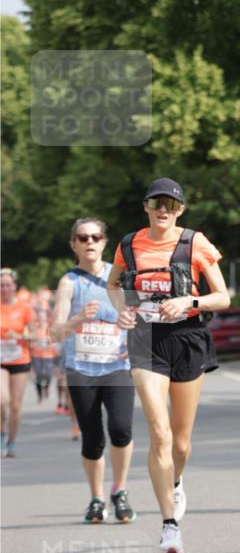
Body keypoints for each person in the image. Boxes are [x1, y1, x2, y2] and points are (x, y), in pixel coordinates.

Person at [106, 178, 230, 553]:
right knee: (158, 433)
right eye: (157, 203)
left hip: (188, 340)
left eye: (172, 205)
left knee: (180, 442)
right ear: (146, 206)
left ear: (181, 209)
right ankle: (169, 526)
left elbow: (223, 297)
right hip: (145, 341)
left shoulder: (195, 243)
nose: (164, 210)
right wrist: (121, 308)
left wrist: (189, 301)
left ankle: (175, 481)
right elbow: (113, 285)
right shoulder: (129, 245)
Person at [52, 219, 136, 523]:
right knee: (92, 438)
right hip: (81, 370)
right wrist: (75, 320)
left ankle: (120, 490)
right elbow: (55, 333)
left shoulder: (121, 278)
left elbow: (139, 320)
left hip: (117, 365)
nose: (89, 241)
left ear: (104, 242)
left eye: (95, 236)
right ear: (73, 244)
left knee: (121, 429)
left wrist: (131, 325)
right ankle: (97, 498)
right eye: (82, 237)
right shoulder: (68, 282)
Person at [1, 268, 35, 457]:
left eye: (7, 285)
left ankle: (12, 440)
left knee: (15, 405)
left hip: (20, 358)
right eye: (1, 286)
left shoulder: (24, 308)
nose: (4, 289)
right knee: (2, 400)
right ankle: (1, 433)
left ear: (14, 286)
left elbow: (35, 335)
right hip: (1, 360)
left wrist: (20, 335)